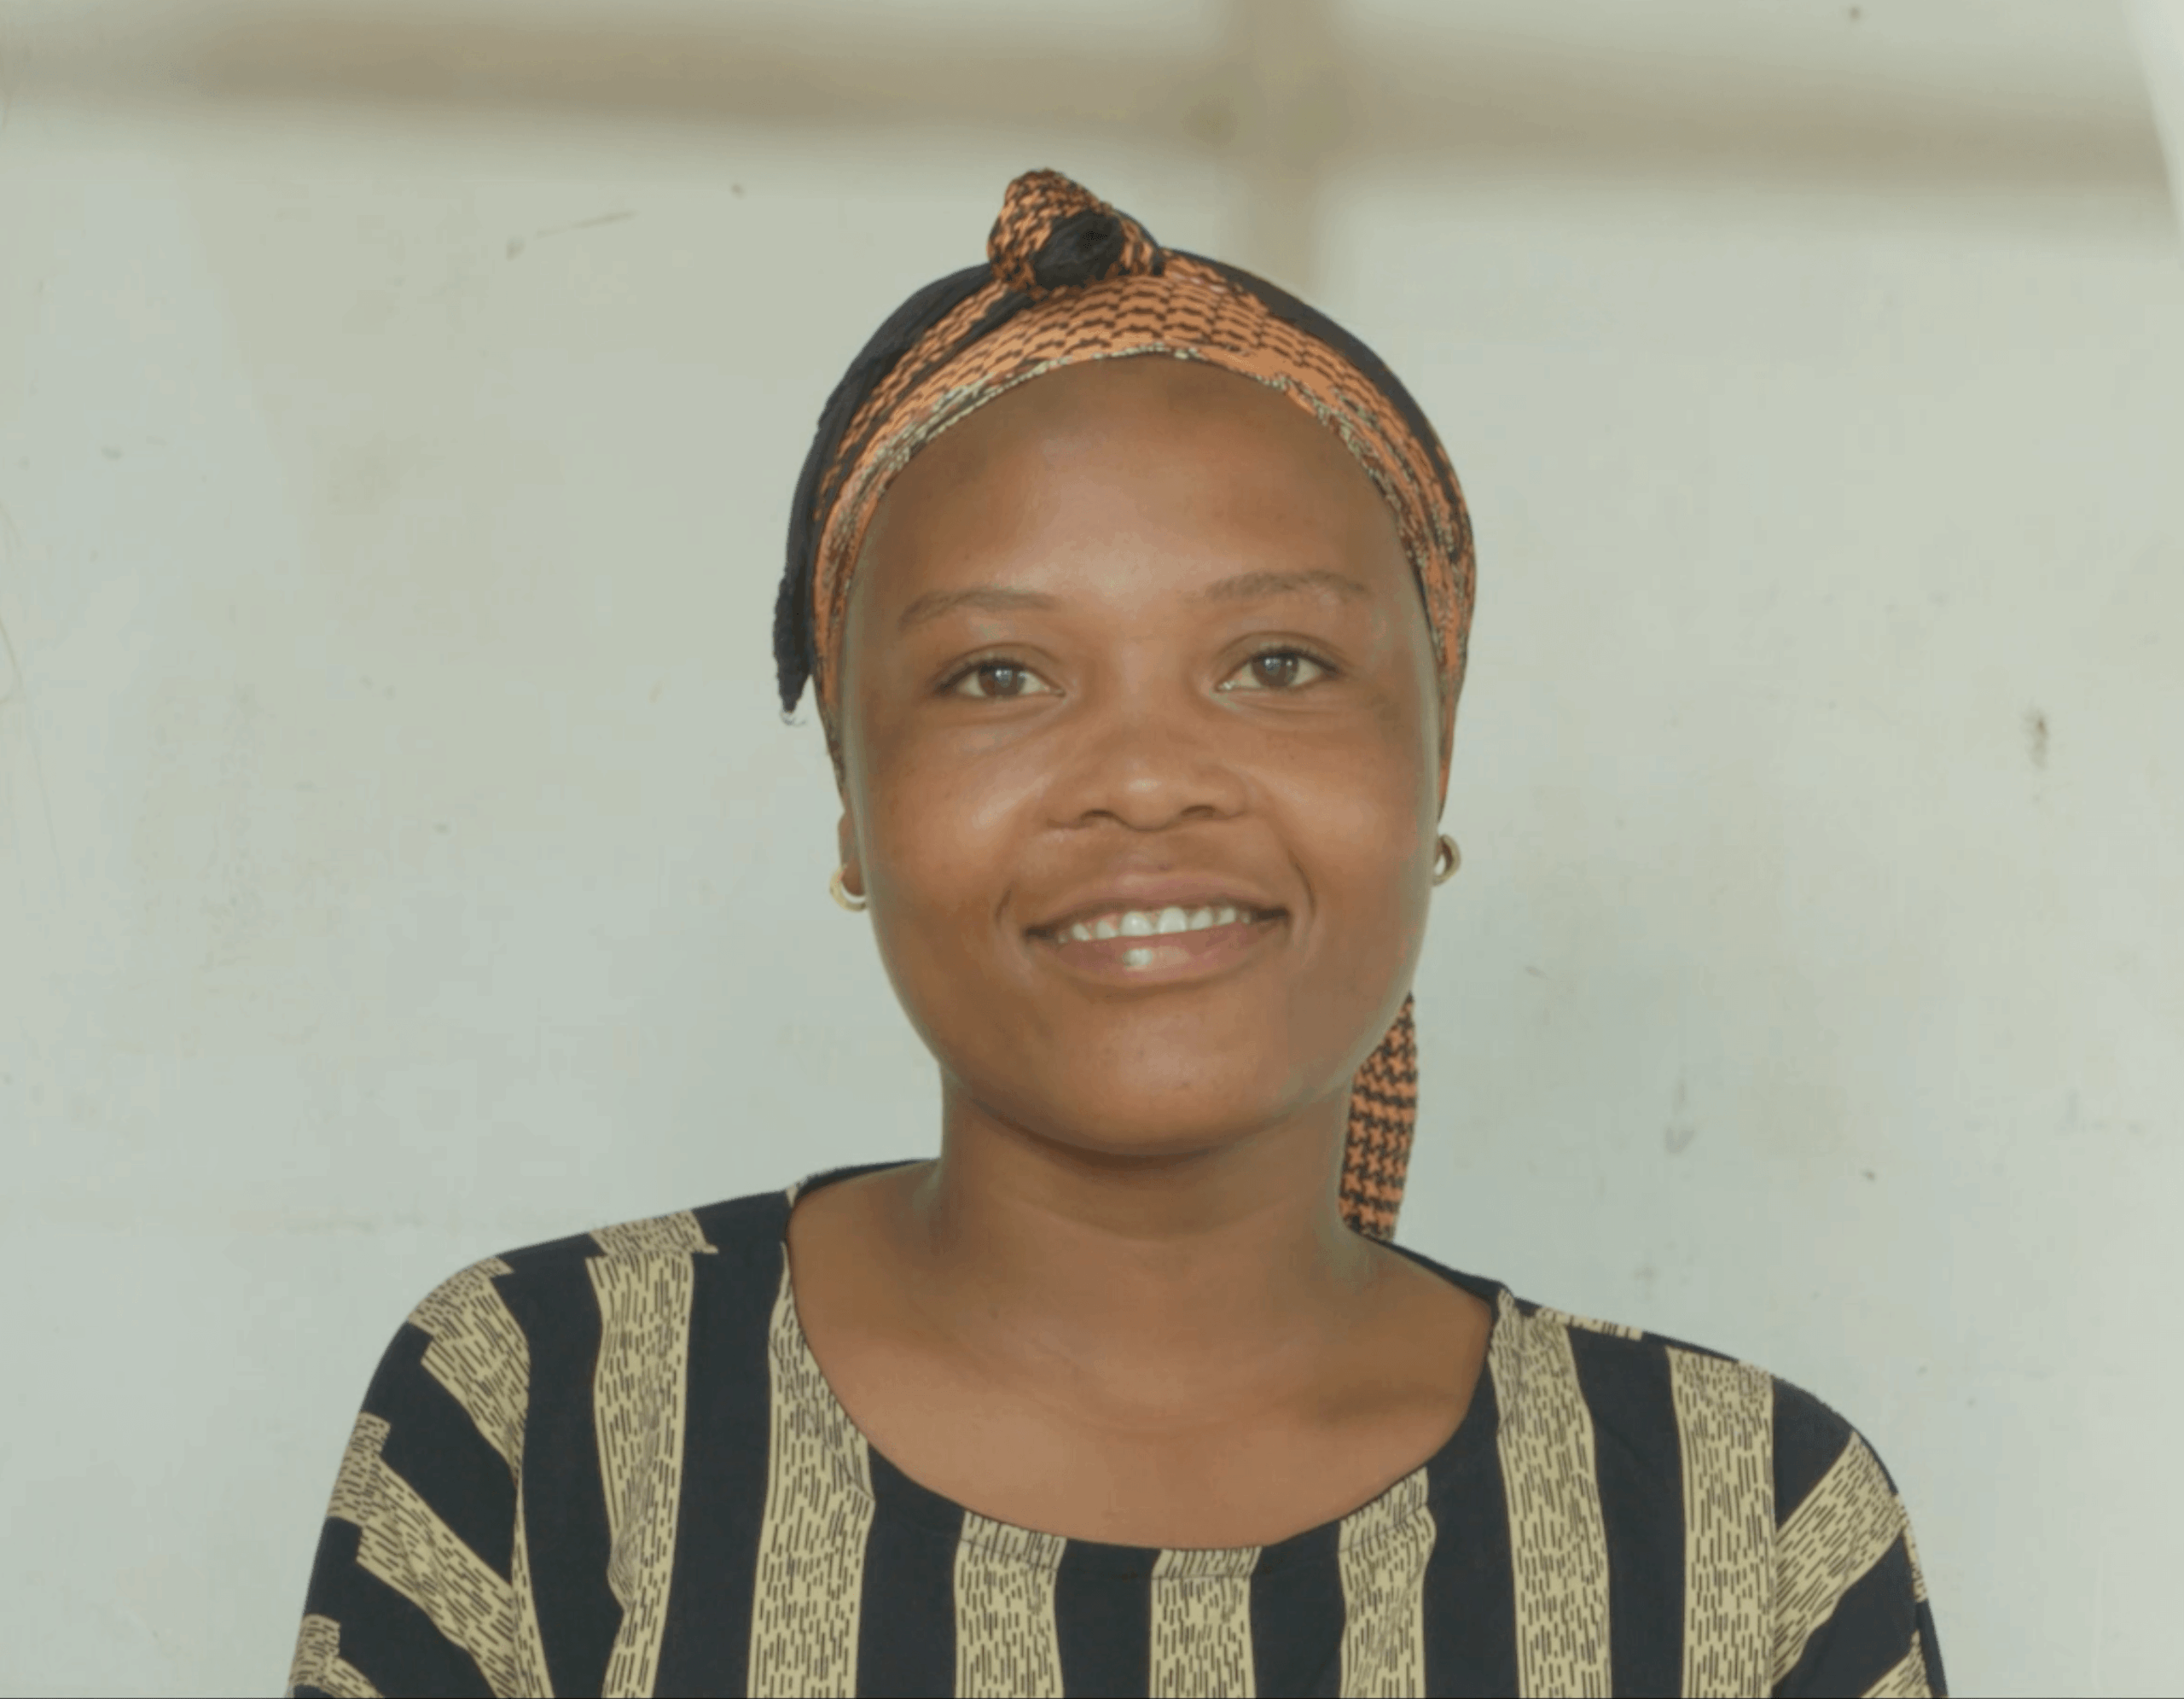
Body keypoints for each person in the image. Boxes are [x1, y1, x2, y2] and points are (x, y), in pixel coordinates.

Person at [287, 170, 1944, 1699]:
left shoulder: (1743, 1526)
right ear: (854, 805)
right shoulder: (545, 1409)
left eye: (1276, 663)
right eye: (995, 674)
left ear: (1433, 760)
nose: (1147, 781)